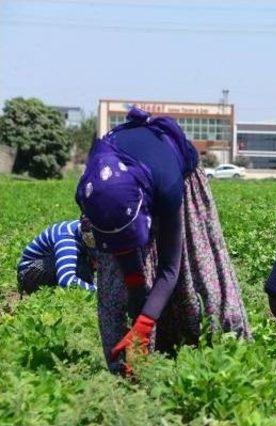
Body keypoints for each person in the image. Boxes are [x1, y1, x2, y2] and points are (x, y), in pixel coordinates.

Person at [76, 107, 251, 375]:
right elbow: (122, 249)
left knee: (198, 274)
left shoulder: (169, 183)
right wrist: (136, 297)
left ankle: (217, 347)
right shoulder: (94, 192)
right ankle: (127, 365)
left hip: (176, 176)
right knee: (120, 280)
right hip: (127, 187)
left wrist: (144, 324)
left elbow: (170, 267)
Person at [16, 218, 96, 295]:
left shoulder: (85, 228)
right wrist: (99, 292)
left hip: (50, 264)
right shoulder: (67, 239)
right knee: (82, 269)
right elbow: (66, 279)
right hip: (30, 272)